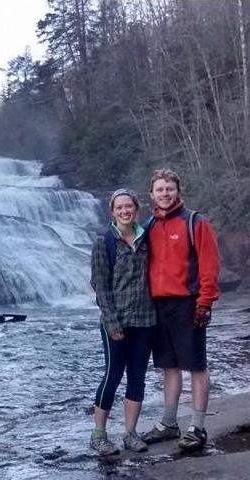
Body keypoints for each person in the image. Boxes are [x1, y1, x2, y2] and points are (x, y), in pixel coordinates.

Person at [142, 169, 220, 450]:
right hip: (159, 305)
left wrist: (205, 303)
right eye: (160, 189)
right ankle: (169, 423)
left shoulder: (195, 222)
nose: (165, 193)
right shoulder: (150, 224)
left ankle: (197, 428)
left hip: (189, 303)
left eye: (169, 188)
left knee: (197, 366)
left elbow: (210, 265)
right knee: (169, 366)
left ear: (178, 191)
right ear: (151, 194)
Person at [89, 188, 156, 456]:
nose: (125, 211)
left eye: (129, 207)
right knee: (112, 375)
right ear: (113, 212)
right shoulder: (103, 243)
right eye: (120, 208)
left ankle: (130, 433)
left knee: (137, 377)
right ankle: (98, 435)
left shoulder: (146, 239)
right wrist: (112, 323)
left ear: (136, 209)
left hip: (146, 320)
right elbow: (101, 287)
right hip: (115, 322)